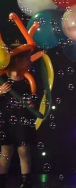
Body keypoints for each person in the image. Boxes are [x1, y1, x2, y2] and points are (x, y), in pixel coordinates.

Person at [0, 46, 36, 188]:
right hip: (6, 120)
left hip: (22, 120)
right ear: (18, 60)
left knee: (23, 150)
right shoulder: (3, 80)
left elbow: (34, 99)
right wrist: (0, 91)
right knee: (5, 151)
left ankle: (26, 181)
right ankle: (1, 181)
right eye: (27, 58)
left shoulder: (27, 82)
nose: (30, 61)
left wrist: (31, 103)